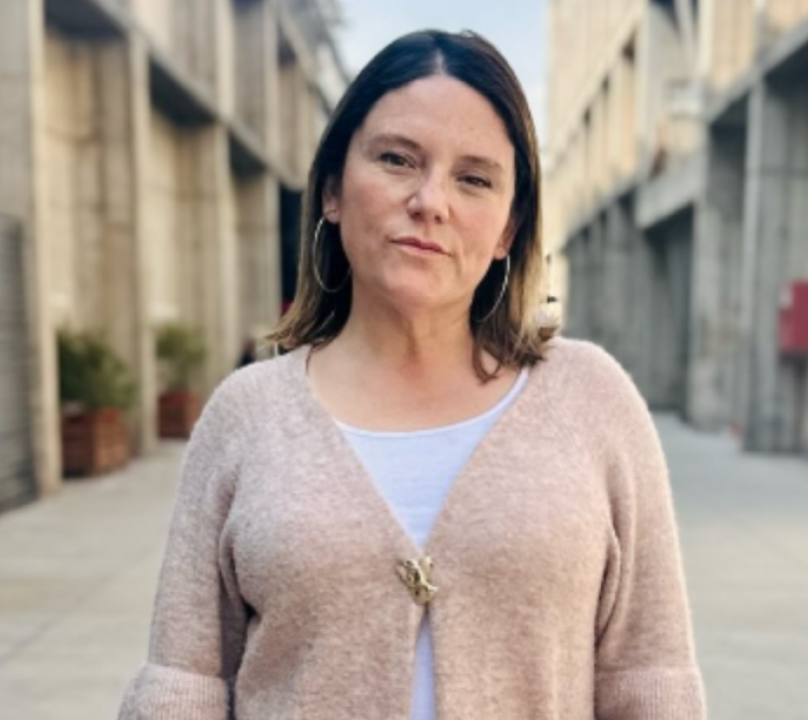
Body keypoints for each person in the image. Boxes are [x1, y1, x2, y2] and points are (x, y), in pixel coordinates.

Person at [119, 29, 705, 720]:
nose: (431, 201)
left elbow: (650, 677)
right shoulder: (246, 414)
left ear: (508, 229)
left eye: (474, 178)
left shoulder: (591, 401)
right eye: (397, 159)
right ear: (332, 188)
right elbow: (183, 684)